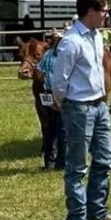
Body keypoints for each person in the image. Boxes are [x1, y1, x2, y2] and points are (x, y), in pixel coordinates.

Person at [51, 0, 111, 220]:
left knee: (104, 159)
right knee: (78, 166)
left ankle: (97, 210)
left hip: (99, 105)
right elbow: (60, 79)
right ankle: (77, 219)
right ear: (90, 11)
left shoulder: (97, 37)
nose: (106, 15)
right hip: (78, 107)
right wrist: (62, 102)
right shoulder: (71, 42)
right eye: (104, 10)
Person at [36, 29, 66, 170]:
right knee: (62, 128)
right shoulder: (66, 56)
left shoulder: (47, 55)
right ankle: (61, 162)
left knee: (49, 127)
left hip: (48, 92)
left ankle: (49, 161)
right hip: (62, 94)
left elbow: (39, 74)